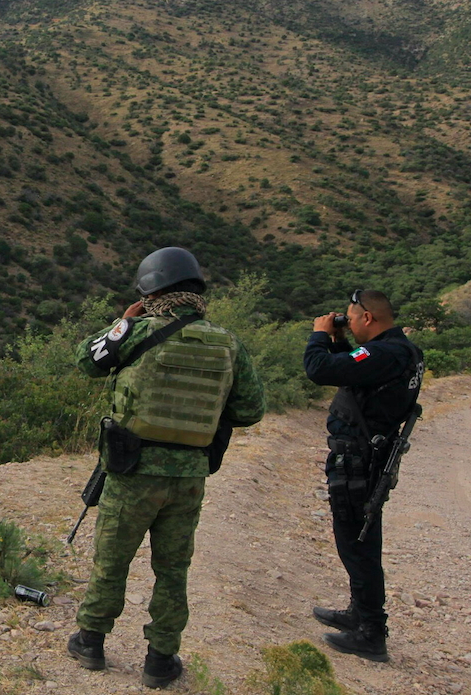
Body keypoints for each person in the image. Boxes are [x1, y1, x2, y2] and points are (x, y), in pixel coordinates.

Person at [65, 247, 265, 688]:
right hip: (189, 475)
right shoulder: (228, 343)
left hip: (132, 469)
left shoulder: (137, 332)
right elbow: (251, 409)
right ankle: (160, 660)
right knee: (172, 568)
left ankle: (91, 642)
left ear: (150, 291)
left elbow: (87, 360)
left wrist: (123, 321)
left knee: (112, 559)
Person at [304, 290, 424, 662]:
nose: (349, 324)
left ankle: (372, 632)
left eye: (352, 320)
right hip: (367, 457)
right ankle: (360, 613)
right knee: (360, 538)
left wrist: (320, 336)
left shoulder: (385, 353)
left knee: (356, 542)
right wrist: (341, 342)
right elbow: (357, 368)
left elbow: (319, 370)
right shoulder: (401, 351)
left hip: (360, 460)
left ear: (368, 318)